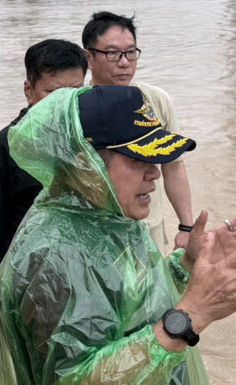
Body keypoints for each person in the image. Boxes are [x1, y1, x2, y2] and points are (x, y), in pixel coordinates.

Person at [0, 85, 236, 385]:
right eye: (138, 159)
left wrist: (187, 266)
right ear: (84, 162)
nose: (155, 173)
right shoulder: (56, 257)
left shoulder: (110, 218)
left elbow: (132, 307)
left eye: (158, 159)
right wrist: (190, 317)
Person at [0, 39, 87, 347]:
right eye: (53, 93)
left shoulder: (88, 144)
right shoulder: (2, 150)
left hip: (81, 290)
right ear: (29, 91)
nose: (64, 103)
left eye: (75, 92)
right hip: (28, 295)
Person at [82, 11, 194, 252]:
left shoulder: (156, 99)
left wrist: (186, 227)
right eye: (112, 53)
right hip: (95, 238)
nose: (124, 62)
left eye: (131, 52)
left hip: (148, 234)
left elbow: (173, 165)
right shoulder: (76, 108)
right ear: (88, 58)